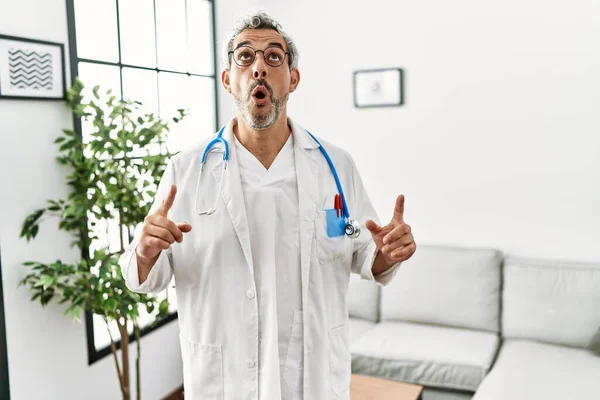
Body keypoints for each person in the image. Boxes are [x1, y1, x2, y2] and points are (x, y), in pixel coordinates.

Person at [119, 11, 416, 400]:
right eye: (245, 57)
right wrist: (144, 251)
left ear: (292, 78)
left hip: (311, 379)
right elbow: (145, 279)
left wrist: (389, 252)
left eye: (273, 57)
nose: (259, 67)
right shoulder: (187, 169)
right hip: (224, 381)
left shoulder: (335, 165)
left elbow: (366, 255)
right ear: (228, 80)